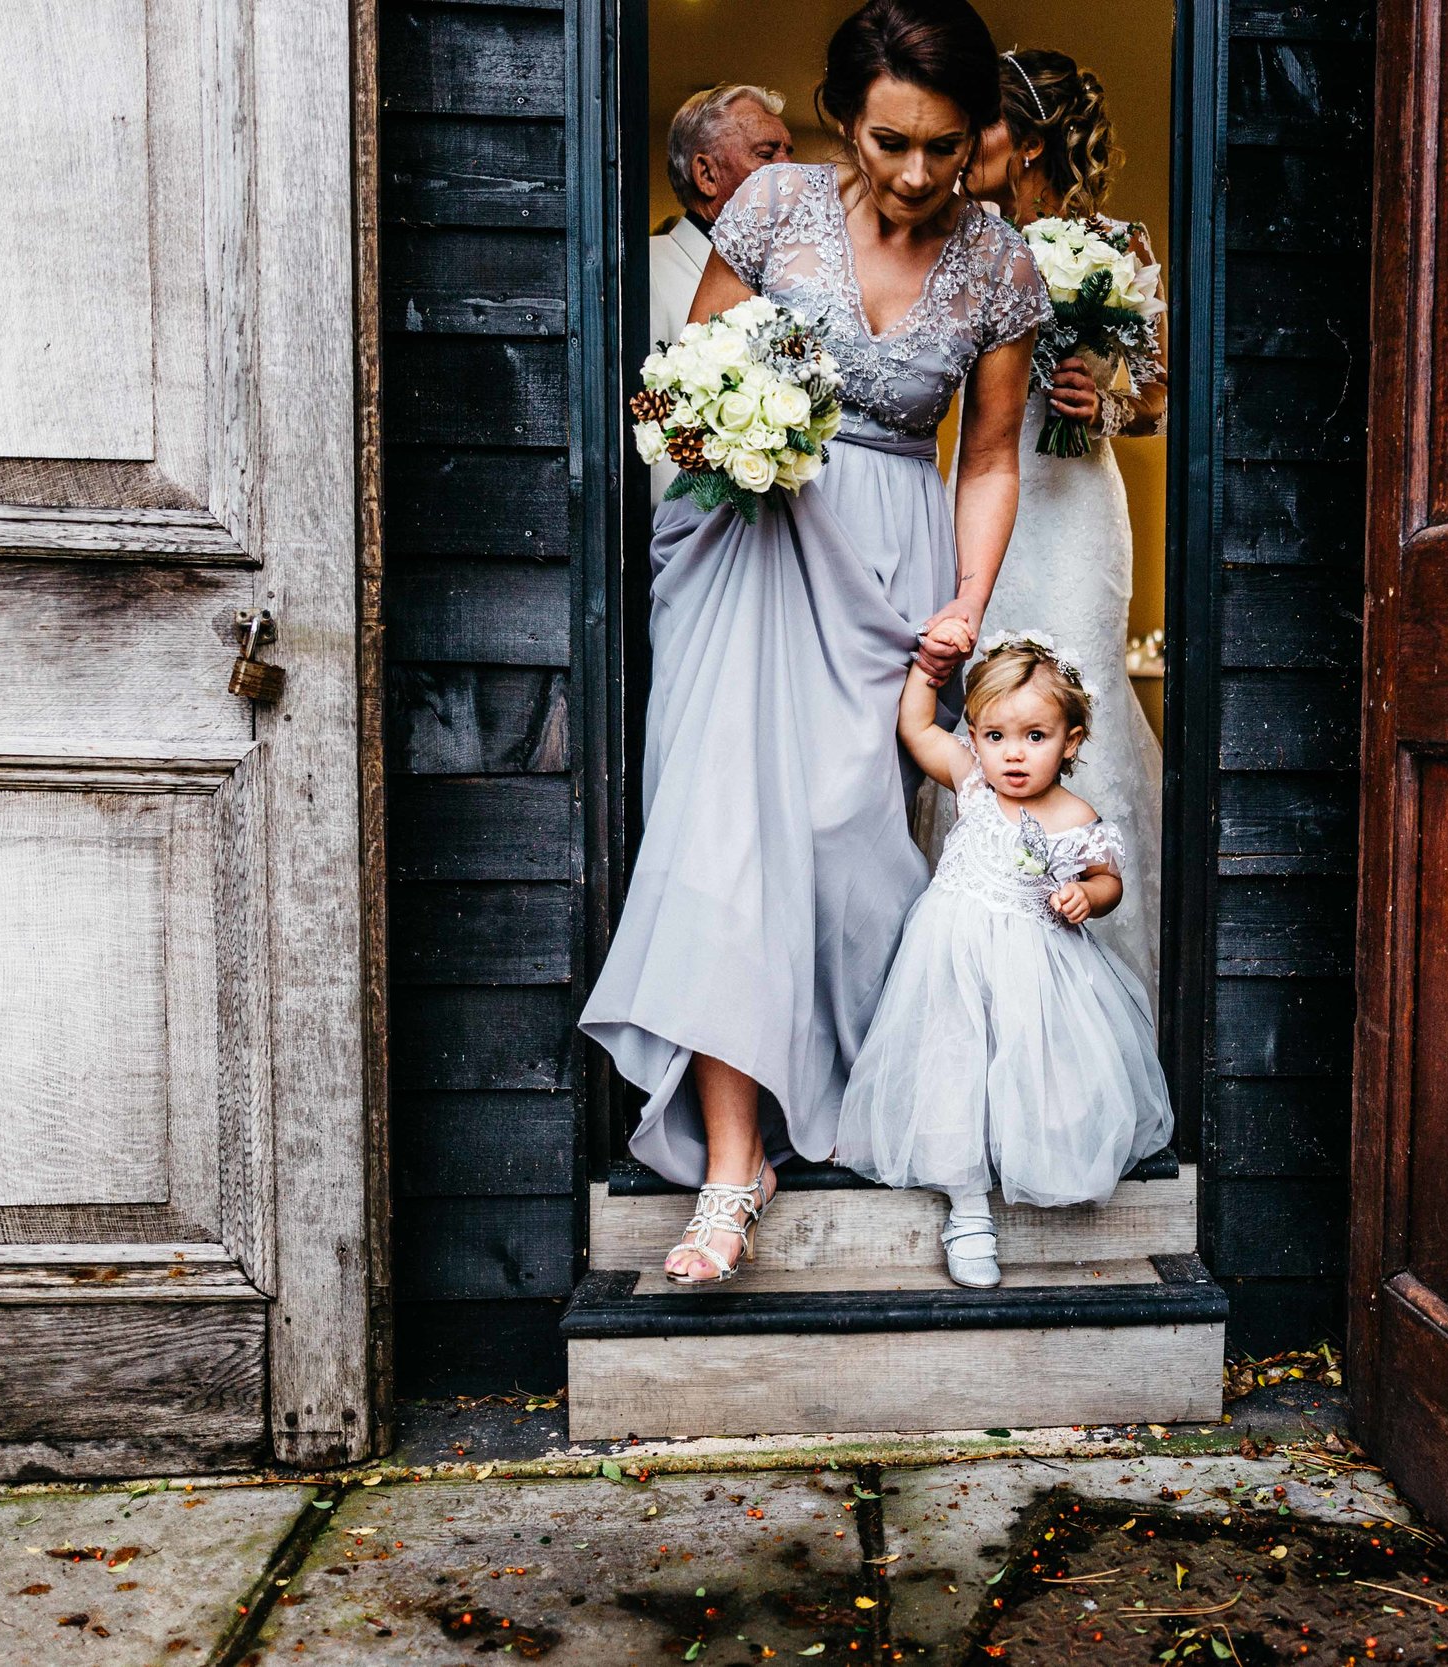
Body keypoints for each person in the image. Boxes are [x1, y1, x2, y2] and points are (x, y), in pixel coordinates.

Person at [579, 0, 1052, 1285]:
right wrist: (726, 428)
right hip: (745, 538)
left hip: (886, 562)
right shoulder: (775, 206)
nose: (915, 174)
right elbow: (686, 384)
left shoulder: (1001, 264)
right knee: (724, 832)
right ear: (845, 121)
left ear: (976, 141)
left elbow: (993, 454)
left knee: (849, 850)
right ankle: (732, 1168)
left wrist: (966, 595)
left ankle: (855, 1097)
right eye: (892, 141)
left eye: (945, 149)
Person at [834, 635, 1172, 1287]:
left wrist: (1086, 895)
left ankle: (1035, 1158)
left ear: (1071, 740)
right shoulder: (972, 784)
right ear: (977, 737)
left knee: (1030, 1066)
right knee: (954, 1066)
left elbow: (1109, 881)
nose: (1012, 753)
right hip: (951, 958)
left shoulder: (1076, 816)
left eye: (1035, 735)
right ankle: (967, 1213)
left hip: (1035, 967)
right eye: (994, 735)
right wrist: (927, 672)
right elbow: (914, 727)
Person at [952, 48, 1168, 1001]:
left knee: (1084, 709)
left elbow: (1161, 392)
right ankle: (976, 964)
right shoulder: (956, 241)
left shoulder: (1122, 244)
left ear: (1029, 141)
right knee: (983, 695)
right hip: (981, 499)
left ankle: (1101, 985)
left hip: (1076, 510)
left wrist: (1107, 397)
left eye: (979, 125)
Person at [649, 84, 795, 503]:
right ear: (706, 175)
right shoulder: (646, 271)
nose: (790, 171)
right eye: (767, 155)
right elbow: (655, 436)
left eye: (790, 151)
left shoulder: (794, 279)